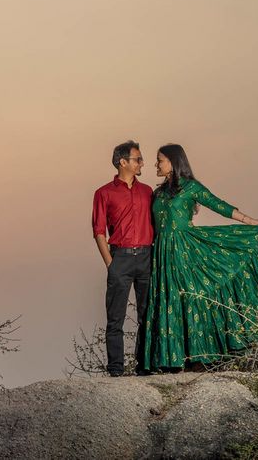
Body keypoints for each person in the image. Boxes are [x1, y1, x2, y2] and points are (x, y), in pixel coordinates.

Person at [143, 144, 258, 371]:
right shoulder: (157, 193)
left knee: (193, 296)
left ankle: (199, 357)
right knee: (169, 299)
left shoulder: (191, 187)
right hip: (162, 251)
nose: (156, 164)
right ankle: (170, 359)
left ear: (174, 162)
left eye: (160, 160)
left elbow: (217, 204)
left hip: (187, 248)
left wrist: (249, 220)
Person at [92, 140, 154, 377]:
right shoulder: (103, 193)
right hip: (121, 258)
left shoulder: (148, 191)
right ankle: (116, 370)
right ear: (123, 162)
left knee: (147, 316)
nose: (142, 163)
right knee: (115, 318)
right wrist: (111, 263)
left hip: (147, 257)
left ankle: (144, 366)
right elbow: (98, 231)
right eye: (138, 159)